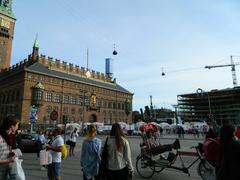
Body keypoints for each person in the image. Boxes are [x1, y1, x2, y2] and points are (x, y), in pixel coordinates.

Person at [0, 115, 20, 180]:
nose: (17, 127)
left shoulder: (9, 137)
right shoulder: (1, 138)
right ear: (12, 126)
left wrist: (12, 154)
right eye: (17, 125)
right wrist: (9, 160)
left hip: (6, 169)